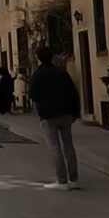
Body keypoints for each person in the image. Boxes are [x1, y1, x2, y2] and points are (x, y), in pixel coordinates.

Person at [27, 47, 81, 190]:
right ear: (52, 57)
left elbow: (32, 95)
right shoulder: (62, 73)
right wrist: (75, 113)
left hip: (48, 115)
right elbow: (73, 93)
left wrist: (43, 102)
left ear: (38, 58)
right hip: (66, 113)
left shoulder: (38, 74)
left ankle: (62, 181)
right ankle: (74, 179)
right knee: (68, 146)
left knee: (55, 147)